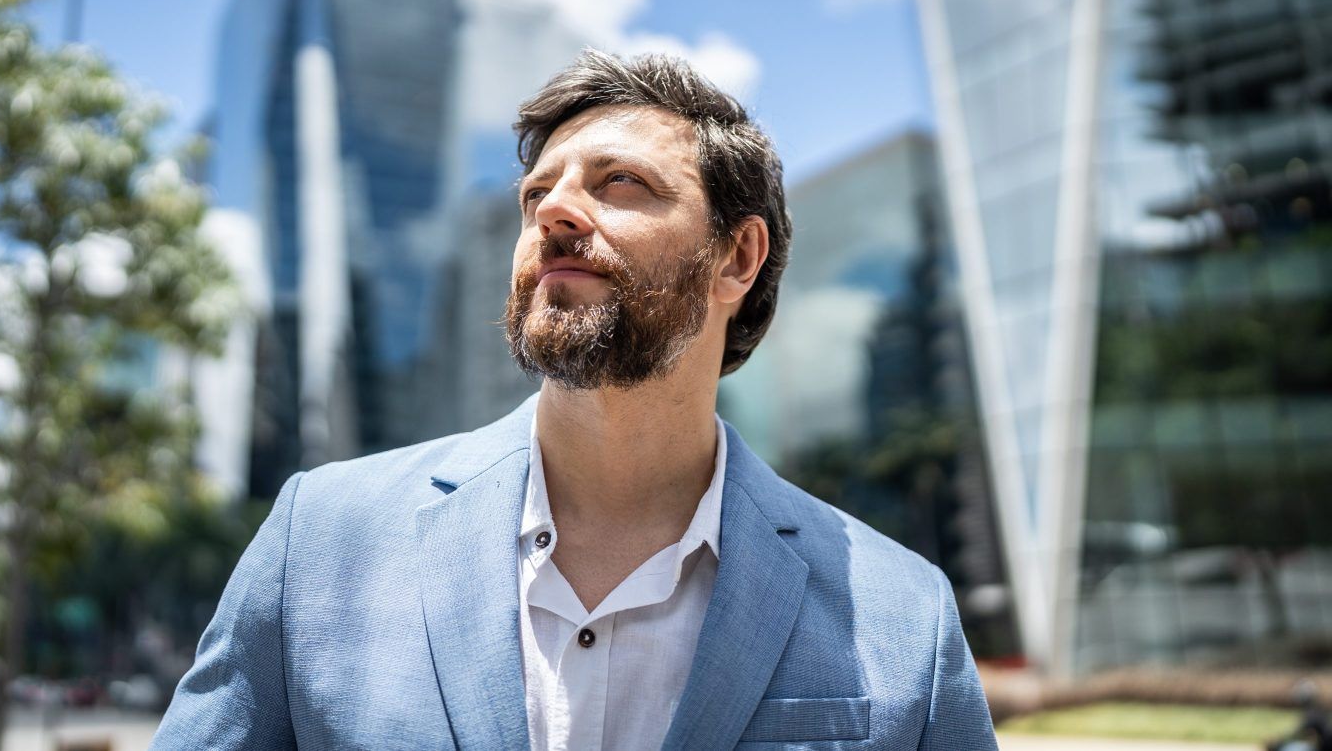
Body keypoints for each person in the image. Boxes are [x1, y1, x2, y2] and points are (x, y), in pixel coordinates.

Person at [149, 50, 997, 750]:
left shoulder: (903, 615)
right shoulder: (320, 543)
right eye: (535, 194)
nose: (553, 209)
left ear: (737, 257)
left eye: (620, 181)